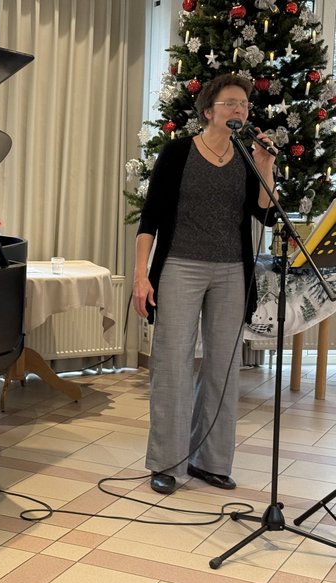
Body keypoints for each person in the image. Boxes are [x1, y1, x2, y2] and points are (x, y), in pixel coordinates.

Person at [132, 73, 278, 495]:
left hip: (232, 271)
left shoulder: (247, 157)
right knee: (173, 363)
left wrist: (265, 166)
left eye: (244, 105)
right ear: (209, 110)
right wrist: (141, 275)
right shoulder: (178, 152)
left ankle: (210, 461)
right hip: (180, 266)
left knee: (223, 367)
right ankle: (167, 462)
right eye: (231, 103)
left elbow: (266, 214)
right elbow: (150, 218)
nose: (239, 110)